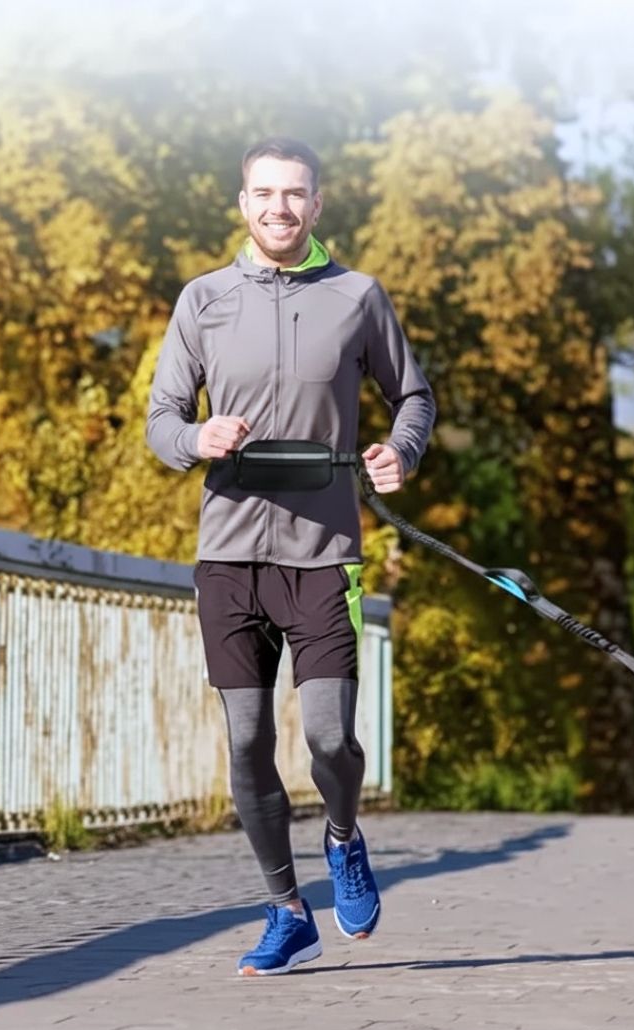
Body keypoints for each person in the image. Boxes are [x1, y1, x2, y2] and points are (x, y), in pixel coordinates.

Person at [146, 136, 435, 976]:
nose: (280, 207)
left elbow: (410, 394)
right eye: (264, 193)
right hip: (229, 555)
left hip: (322, 552)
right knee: (244, 745)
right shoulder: (202, 301)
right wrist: (198, 436)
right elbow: (163, 419)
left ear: (318, 205)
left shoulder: (357, 297)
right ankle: (285, 909)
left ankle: (343, 838)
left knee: (330, 739)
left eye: (295, 194)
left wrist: (400, 452)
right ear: (242, 204)